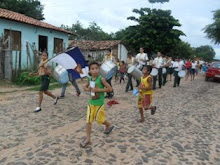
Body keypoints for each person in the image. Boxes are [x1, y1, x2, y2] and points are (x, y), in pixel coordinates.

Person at [80, 61, 114, 148]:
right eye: (92, 69)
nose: (95, 70)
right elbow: (85, 87)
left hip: (99, 104)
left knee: (100, 120)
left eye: (96, 68)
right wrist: (87, 88)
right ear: (90, 71)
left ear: (99, 69)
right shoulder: (90, 78)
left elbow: (110, 89)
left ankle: (108, 124)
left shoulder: (101, 79)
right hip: (91, 103)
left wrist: (98, 90)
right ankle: (88, 138)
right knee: (88, 121)